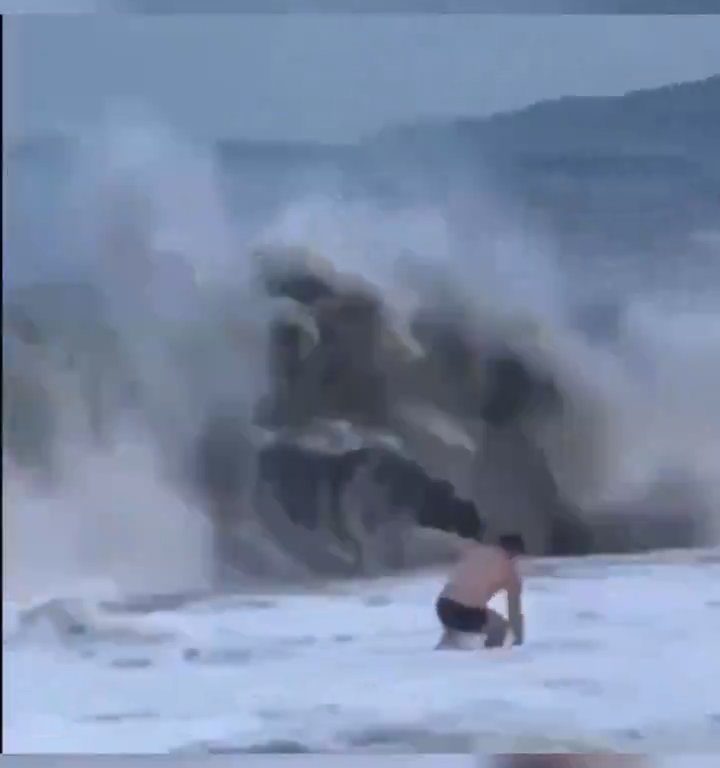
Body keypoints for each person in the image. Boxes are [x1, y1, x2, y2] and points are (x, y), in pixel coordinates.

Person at [434, 533, 526, 650]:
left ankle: (443, 651)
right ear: (515, 553)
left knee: (455, 630)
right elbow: (514, 611)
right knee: (499, 629)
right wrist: (518, 638)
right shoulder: (510, 572)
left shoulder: (475, 550)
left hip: (443, 606)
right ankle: (488, 658)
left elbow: (451, 543)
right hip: (466, 611)